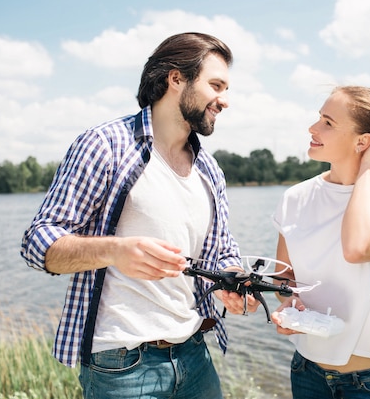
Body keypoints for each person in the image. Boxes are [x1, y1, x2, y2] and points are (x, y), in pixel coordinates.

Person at [21, 32, 258, 399]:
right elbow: (37, 243)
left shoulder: (210, 170)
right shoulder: (105, 145)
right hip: (122, 366)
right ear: (176, 78)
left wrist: (235, 283)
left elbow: (222, 252)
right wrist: (114, 251)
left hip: (195, 355)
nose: (224, 101)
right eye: (216, 85)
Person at [270, 85, 370, 399]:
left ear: (363, 141)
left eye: (328, 122)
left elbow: (358, 248)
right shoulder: (295, 198)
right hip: (307, 372)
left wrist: (369, 168)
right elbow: (286, 276)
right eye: (318, 118)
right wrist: (289, 303)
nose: (313, 128)